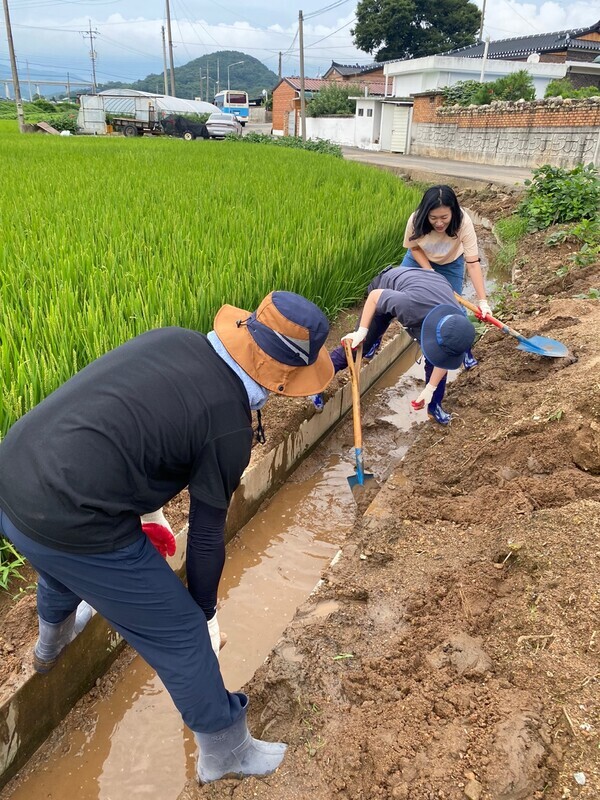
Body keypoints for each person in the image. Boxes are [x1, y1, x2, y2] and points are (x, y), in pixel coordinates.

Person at [0, 291, 334, 784]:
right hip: (72, 514)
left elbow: (125, 428)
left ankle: (51, 647)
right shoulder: (228, 427)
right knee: (178, 633)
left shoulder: (175, 340)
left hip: (15, 474)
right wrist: (201, 613)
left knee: (62, 566)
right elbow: (204, 537)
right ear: (282, 378)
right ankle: (227, 752)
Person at [326, 265, 476, 425]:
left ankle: (434, 406)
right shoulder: (409, 306)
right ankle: (321, 378)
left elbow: (444, 356)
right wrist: (361, 332)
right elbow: (375, 297)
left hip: (426, 286)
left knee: (434, 360)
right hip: (384, 289)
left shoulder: (456, 321)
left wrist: (430, 389)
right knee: (360, 346)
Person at [401, 184, 491, 370]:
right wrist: (429, 272)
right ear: (426, 214)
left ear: (453, 213)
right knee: (396, 294)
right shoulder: (416, 219)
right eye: (433, 218)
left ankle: (464, 350)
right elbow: (414, 247)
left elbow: (473, 263)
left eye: (444, 217)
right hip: (419, 259)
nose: (439, 223)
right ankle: (373, 339)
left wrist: (483, 301)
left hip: (451, 263)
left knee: (453, 306)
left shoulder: (463, 222)